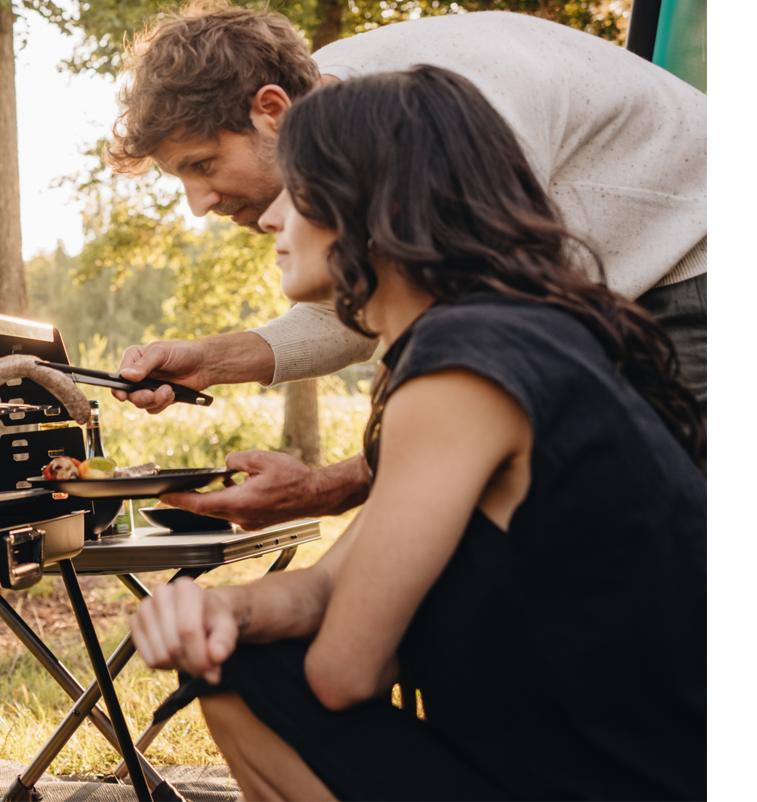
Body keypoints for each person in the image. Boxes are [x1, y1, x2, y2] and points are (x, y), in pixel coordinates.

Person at [129, 66, 705, 801]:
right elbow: (326, 588)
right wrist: (216, 611)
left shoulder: (463, 366)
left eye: (298, 194)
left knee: (247, 681)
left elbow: (345, 673)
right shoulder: (506, 336)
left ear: (377, 204)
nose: (272, 220)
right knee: (243, 657)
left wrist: (225, 644)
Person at [107, 0, 707, 529]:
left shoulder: (445, 122)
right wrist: (209, 362)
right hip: (609, 294)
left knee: (671, 532)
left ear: (272, 110)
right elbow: (353, 311)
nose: (199, 204)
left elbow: (494, 382)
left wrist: (328, 486)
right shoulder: (341, 127)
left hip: (697, 259)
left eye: (203, 165)